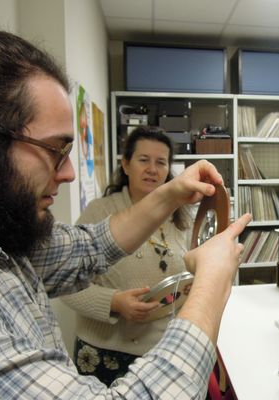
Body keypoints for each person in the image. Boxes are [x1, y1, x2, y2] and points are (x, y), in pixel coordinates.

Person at [0, 27, 251, 399]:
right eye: (54, 150)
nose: (68, 173)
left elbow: (90, 248)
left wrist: (169, 195)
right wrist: (212, 282)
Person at [61, 126, 194, 385]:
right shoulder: (100, 212)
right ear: (125, 164)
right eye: (143, 160)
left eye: (161, 162)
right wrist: (113, 302)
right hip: (104, 352)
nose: (152, 170)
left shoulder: (180, 216)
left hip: (162, 349)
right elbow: (64, 285)